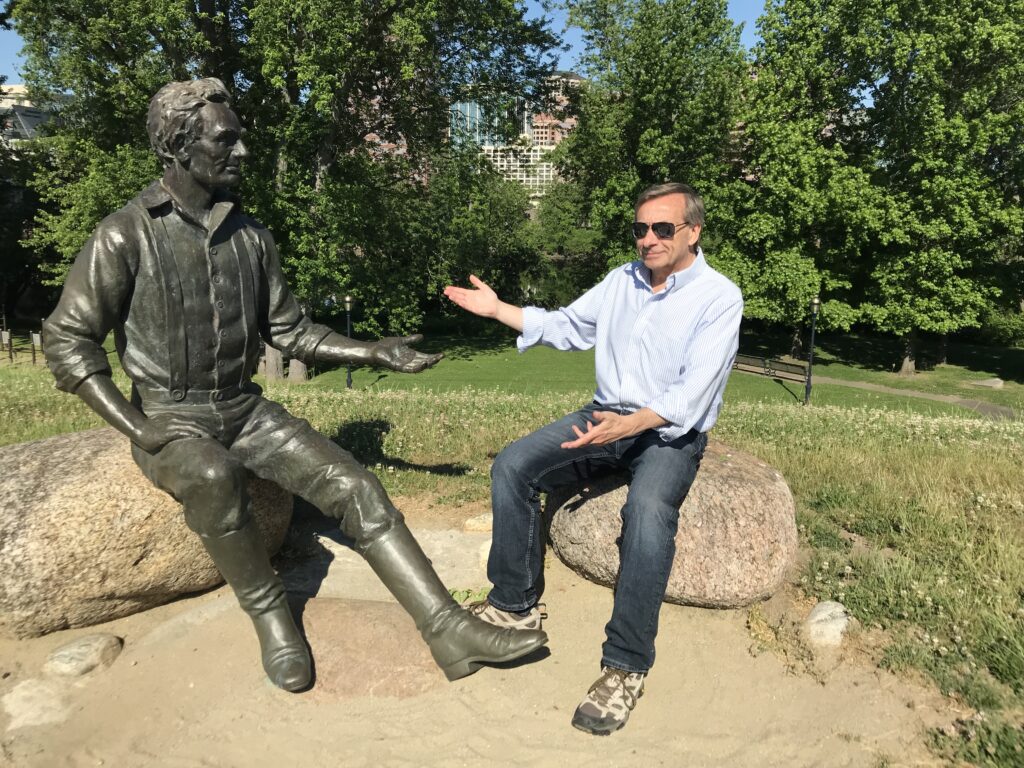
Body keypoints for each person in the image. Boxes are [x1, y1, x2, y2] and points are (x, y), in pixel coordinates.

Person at [43, 78, 546, 693]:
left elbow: (291, 330)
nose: (243, 151)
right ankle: (272, 617)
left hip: (245, 411)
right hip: (172, 419)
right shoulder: (125, 235)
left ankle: (448, 628)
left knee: (355, 486)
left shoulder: (250, 236)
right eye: (225, 140)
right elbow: (67, 340)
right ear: (177, 146)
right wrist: (139, 426)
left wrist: (370, 351)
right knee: (211, 476)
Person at [443, 182, 742, 734]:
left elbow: (692, 395)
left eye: (662, 229)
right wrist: (497, 309)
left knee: (648, 514)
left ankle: (625, 666)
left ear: (693, 232)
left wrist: (632, 424)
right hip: (605, 415)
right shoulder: (620, 281)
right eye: (640, 229)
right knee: (512, 465)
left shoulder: (719, 297)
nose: (647, 239)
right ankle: (514, 604)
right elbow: (566, 326)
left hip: (668, 433)